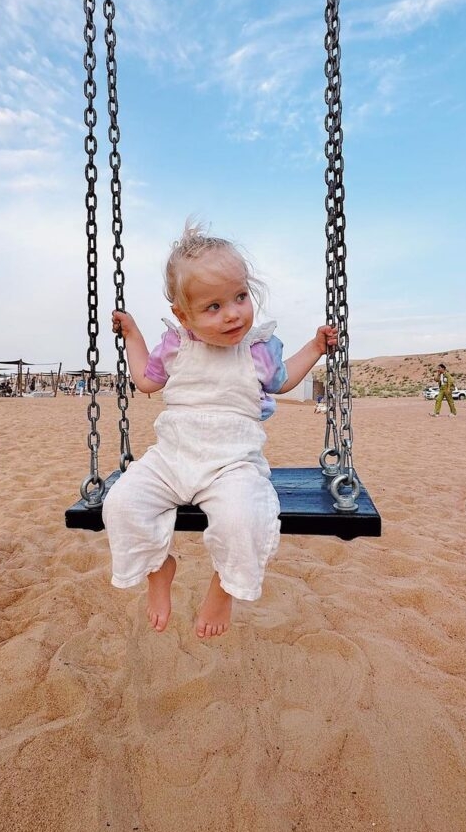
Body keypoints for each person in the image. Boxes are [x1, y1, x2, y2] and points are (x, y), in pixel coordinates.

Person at [103, 223, 338, 639]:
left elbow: (282, 383)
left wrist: (316, 348)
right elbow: (144, 380)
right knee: (120, 504)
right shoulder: (176, 347)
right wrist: (133, 335)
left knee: (243, 518)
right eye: (213, 306)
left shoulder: (258, 350)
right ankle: (158, 569)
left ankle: (225, 585)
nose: (233, 313)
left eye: (240, 297)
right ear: (183, 315)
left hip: (232, 464)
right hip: (170, 459)